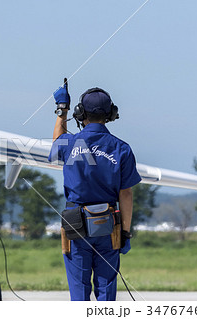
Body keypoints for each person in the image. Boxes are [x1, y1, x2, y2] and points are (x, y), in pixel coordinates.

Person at [48, 81, 141, 301]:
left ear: (81, 114)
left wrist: (62, 110)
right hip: (109, 226)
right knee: (106, 290)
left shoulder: (71, 143)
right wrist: (125, 233)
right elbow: (126, 194)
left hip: (76, 225)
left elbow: (55, 143)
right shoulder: (122, 148)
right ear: (111, 114)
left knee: (79, 292)